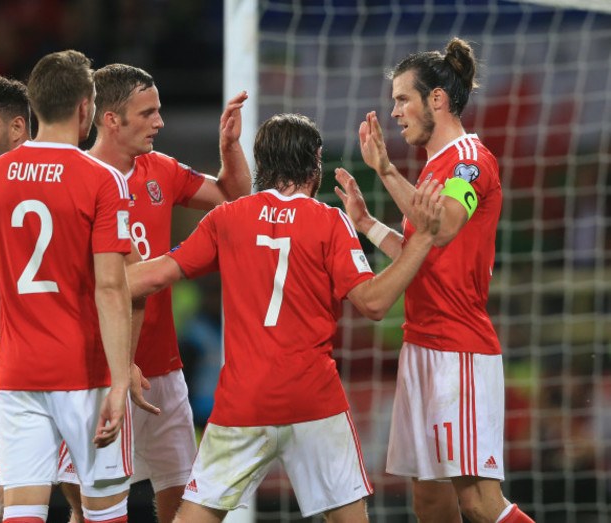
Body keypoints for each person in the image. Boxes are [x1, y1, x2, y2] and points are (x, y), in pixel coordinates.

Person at [126, 113, 444, 522]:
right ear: (315, 164)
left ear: (262, 164)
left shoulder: (227, 217)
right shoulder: (329, 221)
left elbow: (147, 278)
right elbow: (374, 304)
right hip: (314, 401)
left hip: (244, 402)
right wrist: (424, 240)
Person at [336, 38, 534, 523]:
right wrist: (367, 226)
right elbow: (418, 254)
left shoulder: (471, 160)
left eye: (403, 98)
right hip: (421, 346)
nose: (395, 111)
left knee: (480, 503)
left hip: (457, 350)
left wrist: (384, 171)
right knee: (428, 497)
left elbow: (441, 228)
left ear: (437, 100)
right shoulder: (433, 167)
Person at [0, 50, 133, 523]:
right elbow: (111, 289)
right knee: (103, 514)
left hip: (18, 373)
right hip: (87, 373)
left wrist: (17, 339)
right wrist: (121, 380)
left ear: (33, 107)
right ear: (86, 108)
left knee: (20, 513)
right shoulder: (104, 180)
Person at [88, 63, 251, 523]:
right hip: (101, 375)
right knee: (94, 509)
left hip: (164, 372)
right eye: (148, 113)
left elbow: (232, 197)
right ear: (112, 119)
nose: (160, 122)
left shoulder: (158, 169)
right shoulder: (77, 181)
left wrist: (229, 148)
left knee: (183, 501)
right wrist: (119, 361)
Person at [0, 75, 85, 523]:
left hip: (63, 372)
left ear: (18, 128)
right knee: (68, 502)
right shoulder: (72, 175)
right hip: (56, 370)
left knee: (56, 503)